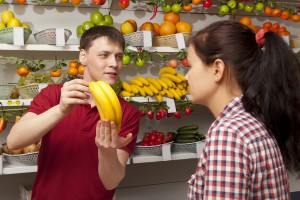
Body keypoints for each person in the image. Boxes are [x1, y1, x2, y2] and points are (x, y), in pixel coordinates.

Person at [7, 26, 140, 200]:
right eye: (104, 55)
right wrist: (61, 109)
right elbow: (14, 141)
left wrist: (106, 150)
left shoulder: (126, 112)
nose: (114, 63)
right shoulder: (54, 94)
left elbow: (111, 182)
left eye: (119, 56)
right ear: (83, 56)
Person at [185, 20, 300, 199]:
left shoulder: (228, 134)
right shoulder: (256, 120)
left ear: (217, 69)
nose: (186, 76)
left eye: (190, 66)